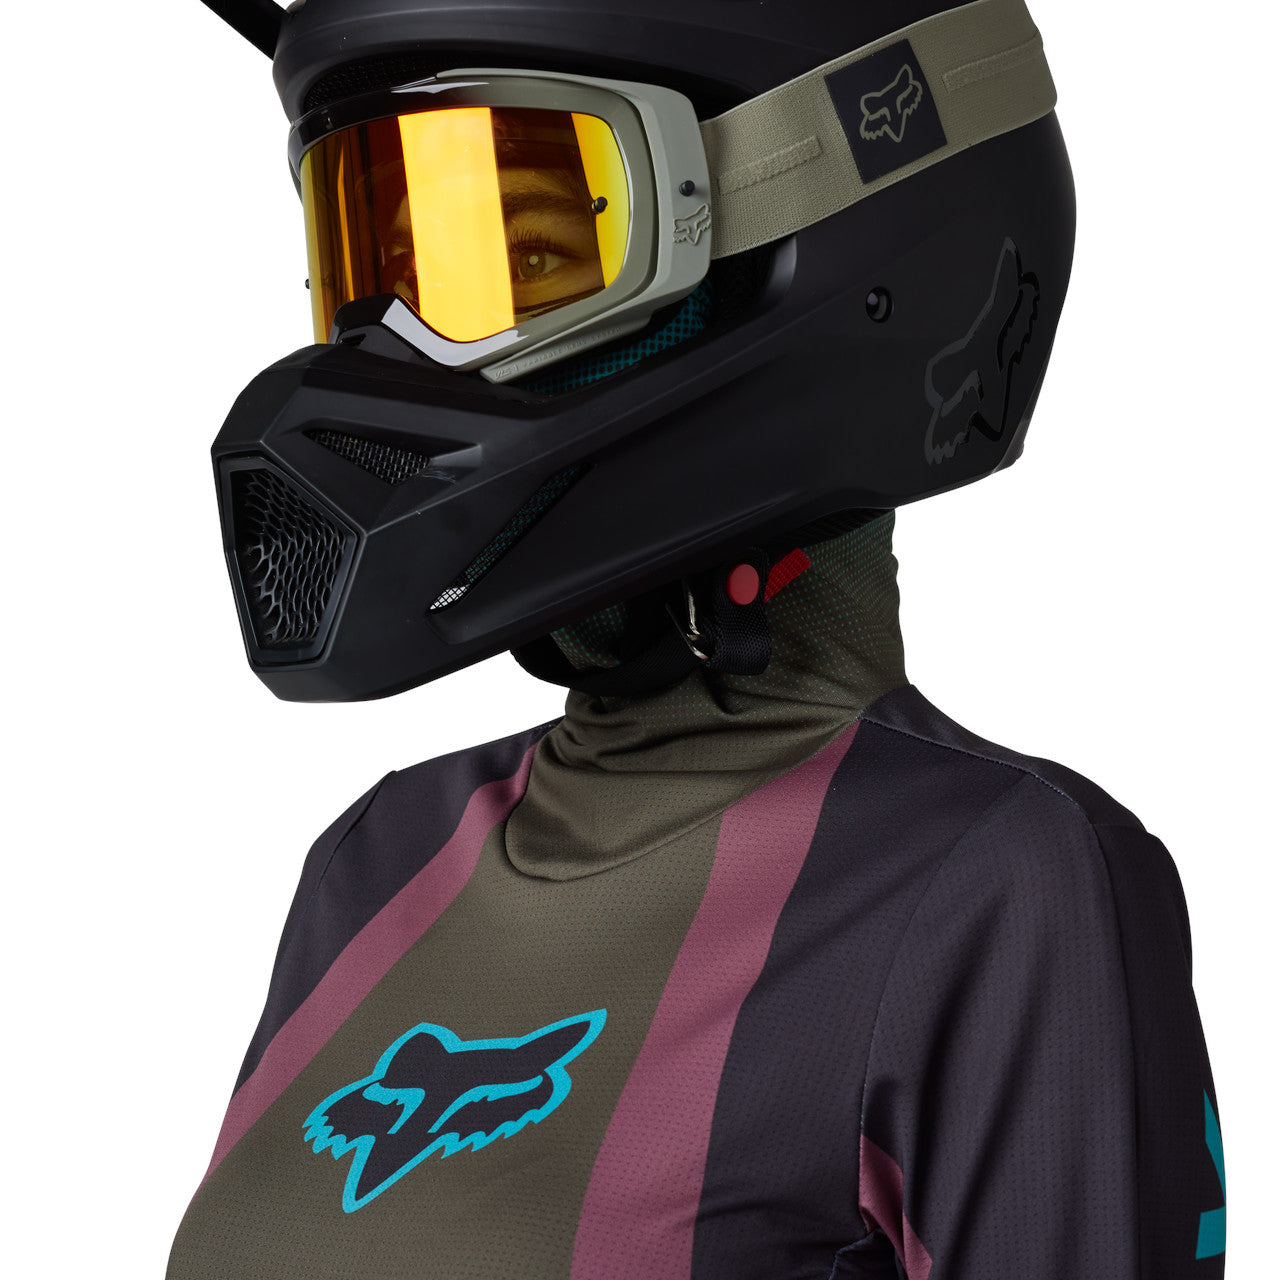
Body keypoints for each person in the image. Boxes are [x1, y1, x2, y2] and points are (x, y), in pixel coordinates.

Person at [171, 1, 1225, 1275]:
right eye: (379, 258)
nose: (389, 356)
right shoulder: (377, 857)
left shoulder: (996, 879)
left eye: (521, 253)